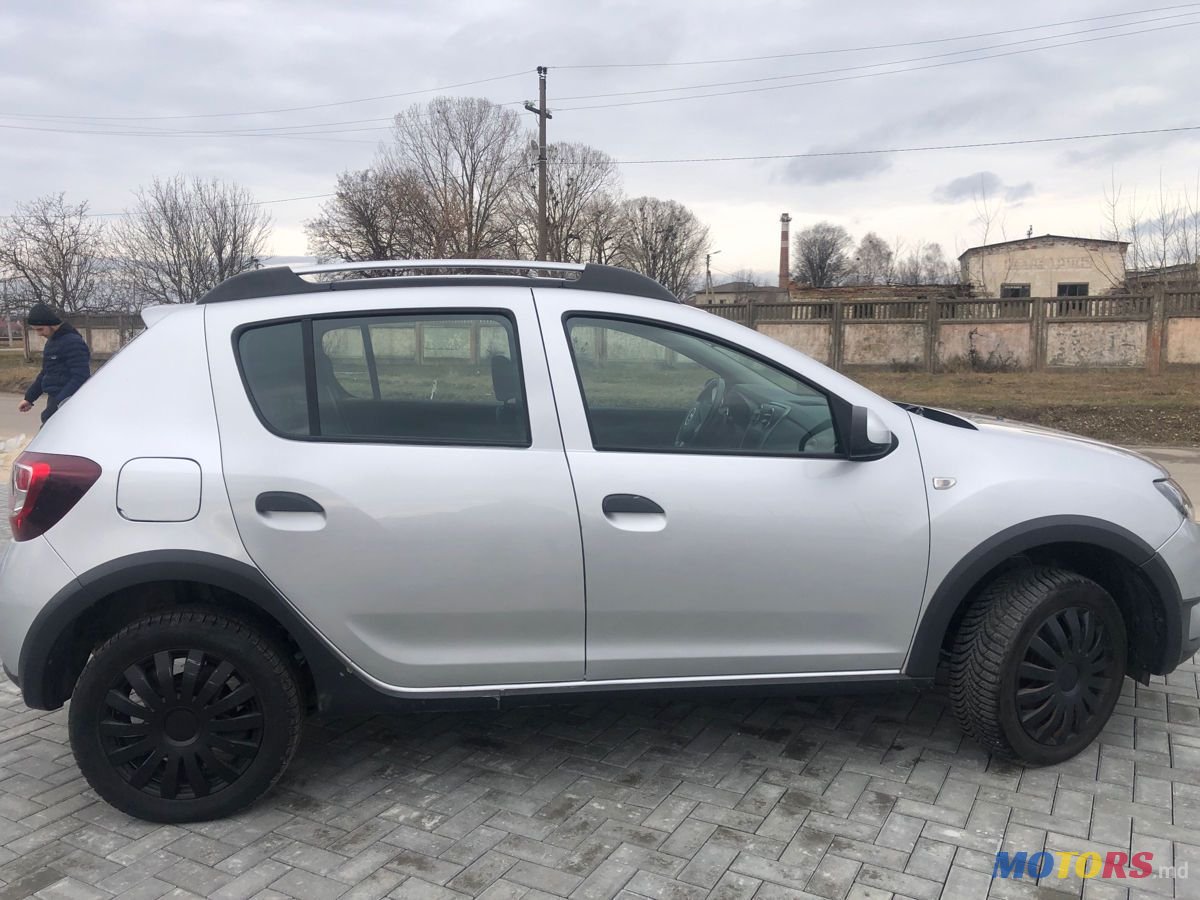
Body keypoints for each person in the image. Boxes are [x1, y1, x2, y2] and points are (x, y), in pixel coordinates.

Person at [17, 303, 91, 424]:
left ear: (51, 324)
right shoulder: (51, 343)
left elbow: (81, 377)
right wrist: (29, 398)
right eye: (35, 330)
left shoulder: (73, 342)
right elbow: (46, 373)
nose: (39, 334)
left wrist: (58, 405)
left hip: (69, 403)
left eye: (40, 329)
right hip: (55, 400)